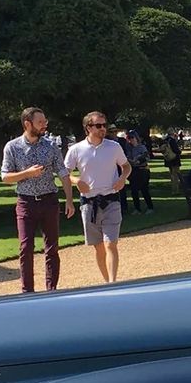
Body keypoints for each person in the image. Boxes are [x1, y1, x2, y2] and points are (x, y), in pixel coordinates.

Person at [1, 106, 73, 293]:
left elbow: (63, 173)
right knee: (25, 247)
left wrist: (69, 200)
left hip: (49, 200)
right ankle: (28, 291)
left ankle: (52, 289)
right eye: (40, 122)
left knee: (52, 248)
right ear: (27, 124)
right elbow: (6, 177)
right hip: (26, 202)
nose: (44, 125)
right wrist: (27, 173)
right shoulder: (13, 147)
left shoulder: (50, 146)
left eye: (45, 121)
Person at [64, 111, 131, 284]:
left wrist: (122, 179)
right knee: (99, 247)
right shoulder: (76, 149)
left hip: (111, 200)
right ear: (88, 128)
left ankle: (113, 283)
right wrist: (77, 181)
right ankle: (106, 281)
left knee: (111, 244)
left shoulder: (114, 147)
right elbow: (65, 174)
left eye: (104, 125)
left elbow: (126, 166)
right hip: (89, 204)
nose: (103, 128)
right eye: (99, 125)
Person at [123, 130, 154, 213]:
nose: (130, 140)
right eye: (129, 138)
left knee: (144, 189)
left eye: (132, 137)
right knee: (134, 190)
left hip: (143, 169)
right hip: (134, 170)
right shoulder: (129, 148)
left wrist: (139, 160)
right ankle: (137, 208)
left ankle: (150, 207)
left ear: (136, 138)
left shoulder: (141, 147)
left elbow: (147, 157)